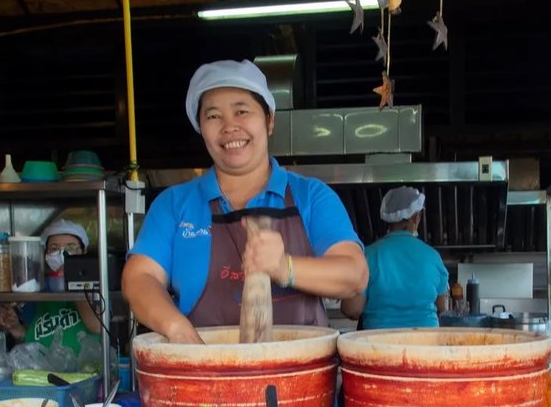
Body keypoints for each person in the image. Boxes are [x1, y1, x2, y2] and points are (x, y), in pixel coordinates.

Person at [122, 59, 368, 343]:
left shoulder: (311, 196)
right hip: (204, 374)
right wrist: (177, 329)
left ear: (269, 119)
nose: (229, 127)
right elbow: (139, 278)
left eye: (242, 111)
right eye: (213, 116)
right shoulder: (174, 205)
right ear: (201, 127)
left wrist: (284, 267)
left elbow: (355, 274)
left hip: (302, 378)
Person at [340, 187, 448, 329]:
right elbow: (442, 306)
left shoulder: (368, 255)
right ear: (416, 217)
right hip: (426, 344)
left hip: (378, 345)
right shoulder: (433, 257)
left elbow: (352, 309)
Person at [0, 219, 102, 354]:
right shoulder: (36, 286)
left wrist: (75, 279)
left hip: (85, 368)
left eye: (71, 247)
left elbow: (97, 326)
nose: (63, 254)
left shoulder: (96, 284)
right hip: (43, 370)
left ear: (84, 251)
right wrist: (16, 328)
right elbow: (32, 336)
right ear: (45, 254)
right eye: (54, 248)